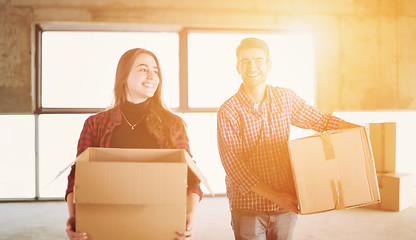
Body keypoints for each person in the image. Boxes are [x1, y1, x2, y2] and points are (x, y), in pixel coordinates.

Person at [216, 37, 360, 240]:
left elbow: (320, 121)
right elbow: (233, 165)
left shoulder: (285, 98)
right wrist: (277, 197)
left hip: (285, 205)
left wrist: (359, 131)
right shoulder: (228, 111)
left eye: (258, 60)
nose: (252, 67)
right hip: (248, 206)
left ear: (269, 65)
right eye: (245, 61)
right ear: (237, 67)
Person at [65, 48, 203, 240]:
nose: (152, 76)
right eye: (143, 69)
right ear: (124, 76)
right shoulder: (95, 124)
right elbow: (77, 176)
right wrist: (74, 217)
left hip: (159, 224)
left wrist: (190, 216)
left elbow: (191, 175)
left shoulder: (172, 124)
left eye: (155, 71)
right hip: (107, 225)